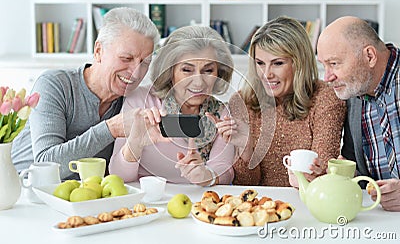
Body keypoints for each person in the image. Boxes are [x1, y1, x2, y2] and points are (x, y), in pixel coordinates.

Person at [11, 7, 160, 180]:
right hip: (24, 192)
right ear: (98, 51)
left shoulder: (133, 101)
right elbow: (47, 165)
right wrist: (110, 129)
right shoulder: (55, 84)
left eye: (144, 62)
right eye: (126, 58)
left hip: (80, 198)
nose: (136, 72)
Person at [212, 16, 346, 187]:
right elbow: (245, 184)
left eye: (277, 63)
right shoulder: (241, 102)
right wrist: (246, 149)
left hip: (308, 203)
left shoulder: (325, 98)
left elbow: (322, 176)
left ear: (299, 63)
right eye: (260, 63)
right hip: (260, 207)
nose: (266, 74)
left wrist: (311, 174)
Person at [109, 25, 235, 186]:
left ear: (219, 73)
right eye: (187, 70)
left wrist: (206, 175)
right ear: (170, 72)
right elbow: (117, 176)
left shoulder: (221, 113)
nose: (198, 82)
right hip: (146, 201)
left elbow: (225, 172)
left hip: (196, 202)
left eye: (208, 70)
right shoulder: (140, 101)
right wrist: (134, 145)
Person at [317, 16, 400, 211]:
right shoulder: (355, 90)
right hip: (378, 220)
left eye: (335, 64)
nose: (327, 77)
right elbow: (356, 168)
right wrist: (330, 176)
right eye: (324, 65)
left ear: (369, 56)